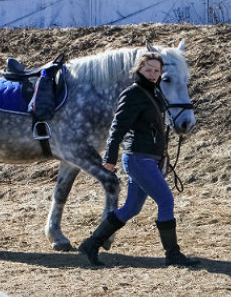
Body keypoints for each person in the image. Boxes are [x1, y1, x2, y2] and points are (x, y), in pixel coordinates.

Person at [79, 52, 198, 267]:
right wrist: (110, 157)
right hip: (137, 159)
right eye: (148, 69)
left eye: (156, 70)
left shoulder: (154, 93)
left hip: (148, 159)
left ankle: (91, 243)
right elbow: (118, 127)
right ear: (138, 70)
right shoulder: (133, 93)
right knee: (166, 201)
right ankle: (172, 254)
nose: (153, 74)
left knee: (131, 208)